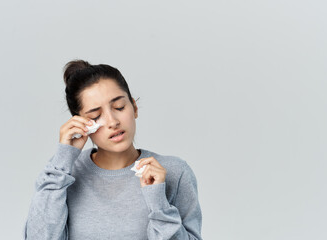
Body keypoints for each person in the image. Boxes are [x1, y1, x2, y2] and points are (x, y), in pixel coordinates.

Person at [23, 59, 203, 240]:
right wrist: (63, 159)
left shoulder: (174, 172)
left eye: (119, 107)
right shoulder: (63, 174)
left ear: (134, 107)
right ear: (82, 124)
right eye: (96, 115)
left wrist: (158, 204)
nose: (113, 122)